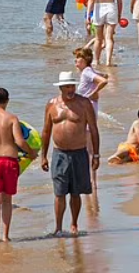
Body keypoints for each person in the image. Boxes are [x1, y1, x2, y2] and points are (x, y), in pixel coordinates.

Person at [41, 71, 100, 237]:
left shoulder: (84, 103)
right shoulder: (52, 104)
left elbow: (93, 129)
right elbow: (46, 131)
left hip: (79, 153)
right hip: (59, 153)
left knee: (75, 192)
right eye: (67, 86)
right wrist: (43, 156)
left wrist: (96, 155)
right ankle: (58, 227)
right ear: (61, 88)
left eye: (72, 86)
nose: (71, 89)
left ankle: (74, 224)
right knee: (59, 192)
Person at [0, 88, 37, 243]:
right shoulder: (12, 119)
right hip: (10, 161)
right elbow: (20, 141)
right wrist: (31, 153)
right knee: (7, 200)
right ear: (7, 100)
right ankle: (5, 236)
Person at [88, 0, 123, 67]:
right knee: (109, 38)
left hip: (99, 9)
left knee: (98, 38)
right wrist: (119, 15)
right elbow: (120, 1)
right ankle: (108, 61)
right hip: (111, 8)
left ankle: (96, 60)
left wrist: (89, 14)